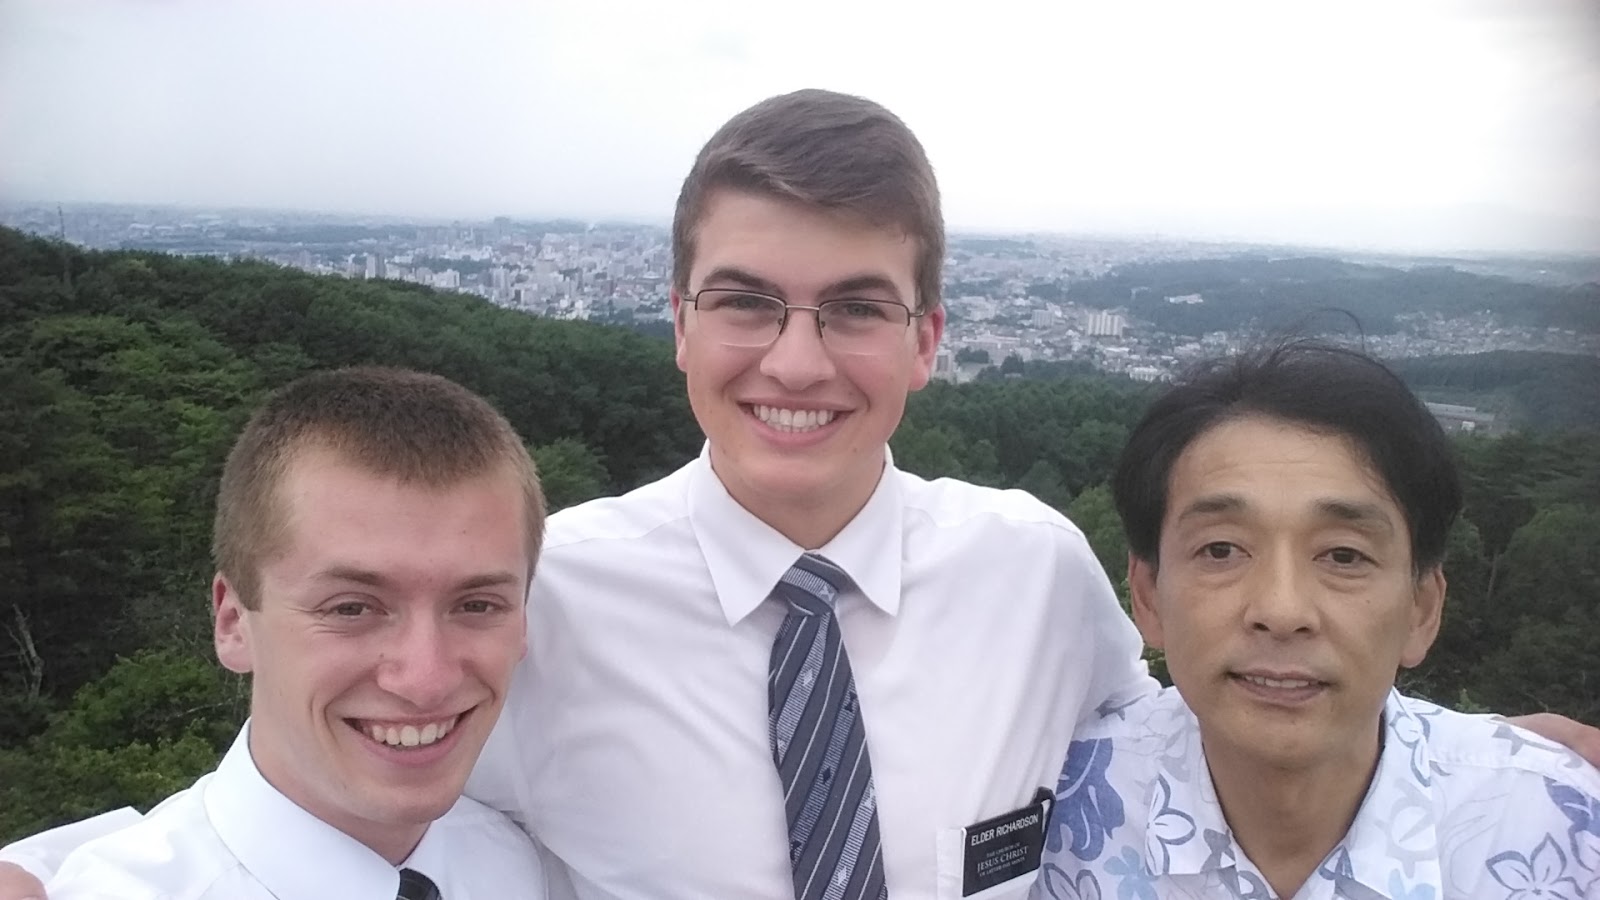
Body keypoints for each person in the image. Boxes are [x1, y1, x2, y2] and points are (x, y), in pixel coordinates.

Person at [5, 90, 1599, 900]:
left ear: (929, 341)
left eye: (854, 308)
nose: (795, 358)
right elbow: (338, 773)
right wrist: (63, 862)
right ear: (676, 321)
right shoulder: (537, 601)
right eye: (745, 301)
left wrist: (1486, 756)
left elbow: (1200, 741)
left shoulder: (1037, 571)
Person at [1032, 342, 1600, 900]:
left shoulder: (1566, 834)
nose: (1282, 611)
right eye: (1221, 549)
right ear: (1148, 596)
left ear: (1422, 608)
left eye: (1344, 555)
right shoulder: (1047, 808)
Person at [18, 367, 553, 899]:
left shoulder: (522, 861)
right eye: (351, 608)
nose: (425, 680)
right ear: (233, 622)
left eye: (478, 605)